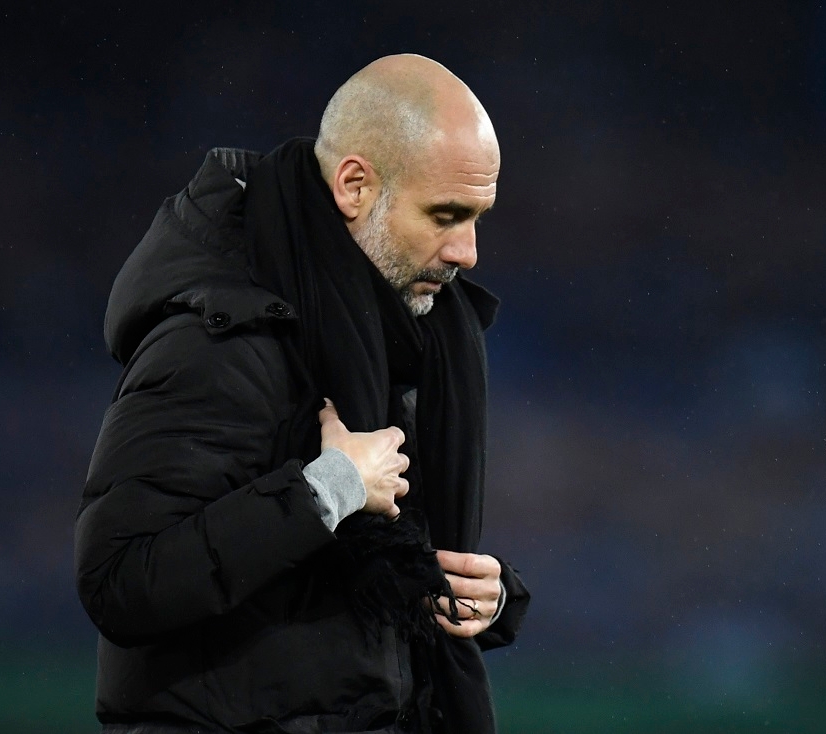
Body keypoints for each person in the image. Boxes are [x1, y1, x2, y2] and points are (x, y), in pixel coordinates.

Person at [74, 54, 529, 734]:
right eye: (444, 214)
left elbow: (359, 603)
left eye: (477, 218)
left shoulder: (397, 341)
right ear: (354, 185)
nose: (466, 252)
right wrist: (328, 490)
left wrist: (488, 600)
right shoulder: (219, 341)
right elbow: (120, 581)